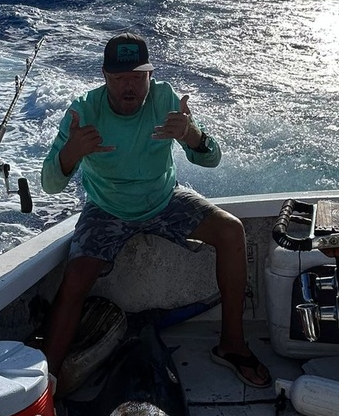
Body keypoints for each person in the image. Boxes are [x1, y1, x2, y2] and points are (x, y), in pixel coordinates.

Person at [40, 31, 271, 389]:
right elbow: (49, 184)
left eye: (137, 77)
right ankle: (46, 383)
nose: (128, 87)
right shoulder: (83, 111)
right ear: (104, 77)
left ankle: (232, 344)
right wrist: (70, 153)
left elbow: (211, 158)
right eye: (118, 78)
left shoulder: (166, 99)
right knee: (75, 278)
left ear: (151, 75)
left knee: (231, 230)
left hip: (164, 200)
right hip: (106, 208)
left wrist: (192, 136)